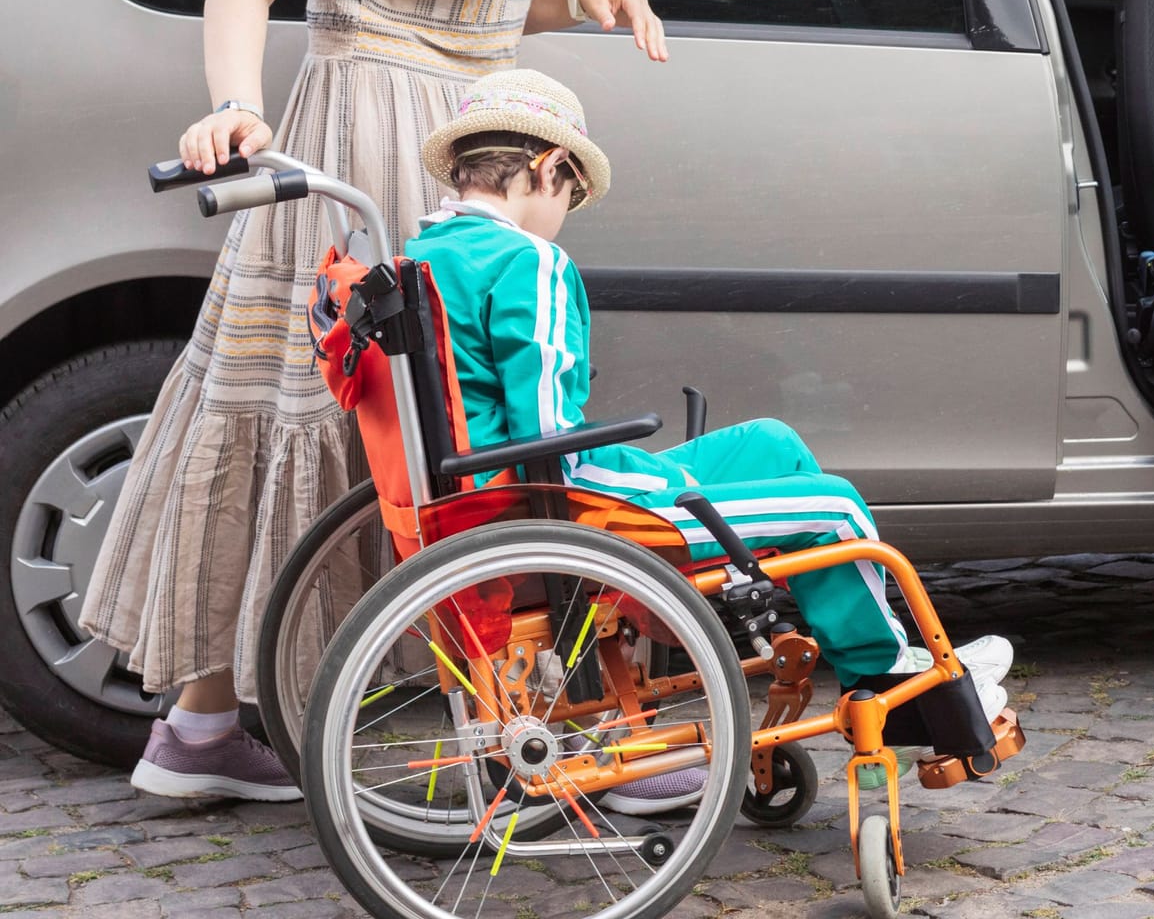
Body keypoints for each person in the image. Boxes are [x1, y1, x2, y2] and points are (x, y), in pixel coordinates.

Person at [86, 0, 667, 803]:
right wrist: (238, 107)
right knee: (421, 421)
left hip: (459, 122)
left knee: (396, 420)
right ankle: (517, 729)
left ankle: (201, 733)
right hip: (374, 132)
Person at [404, 70, 1014, 812]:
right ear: (549, 168)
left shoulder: (424, 254)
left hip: (489, 490)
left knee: (770, 443)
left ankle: (876, 651)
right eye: (571, 193)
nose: (565, 212)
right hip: (562, 500)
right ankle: (895, 681)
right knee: (838, 511)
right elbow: (544, 435)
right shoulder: (528, 261)